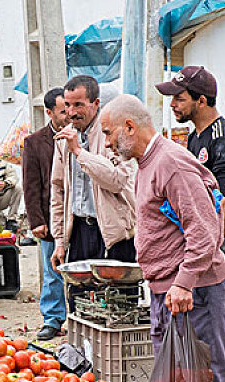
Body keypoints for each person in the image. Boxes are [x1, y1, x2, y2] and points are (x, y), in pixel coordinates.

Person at [100, 94, 225, 382]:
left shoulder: (171, 163)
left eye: (108, 133)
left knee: (206, 378)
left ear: (129, 127)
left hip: (195, 292)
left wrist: (183, 281)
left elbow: (206, 230)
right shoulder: (148, 164)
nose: (106, 143)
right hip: (171, 292)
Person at [156, 66, 225, 382]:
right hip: (211, 241)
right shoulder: (195, 138)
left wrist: (211, 250)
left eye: (179, 98)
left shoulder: (221, 140)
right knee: (217, 329)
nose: (172, 105)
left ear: (202, 100)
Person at [50, 76, 137, 278]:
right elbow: (58, 191)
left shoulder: (113, 132)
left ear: (95, 104)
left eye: (79, 105)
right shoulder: (64, 138)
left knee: (115, 302)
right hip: (79, 231)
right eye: (68, 105)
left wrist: (80, 153)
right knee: (80, 301)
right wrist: (60, 241)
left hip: (112, 233)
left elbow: (118, 180)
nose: (72, 112)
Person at [23, 87, 69, 340]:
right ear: (49, 112)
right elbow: (30, 185)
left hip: (78, 216)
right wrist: (36, 221)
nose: (68, 115)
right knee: (53, 272)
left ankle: (80, 317)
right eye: (63, 111)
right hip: (51, 219)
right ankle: (52, 318)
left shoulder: (80, 136)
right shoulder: (35, 142)